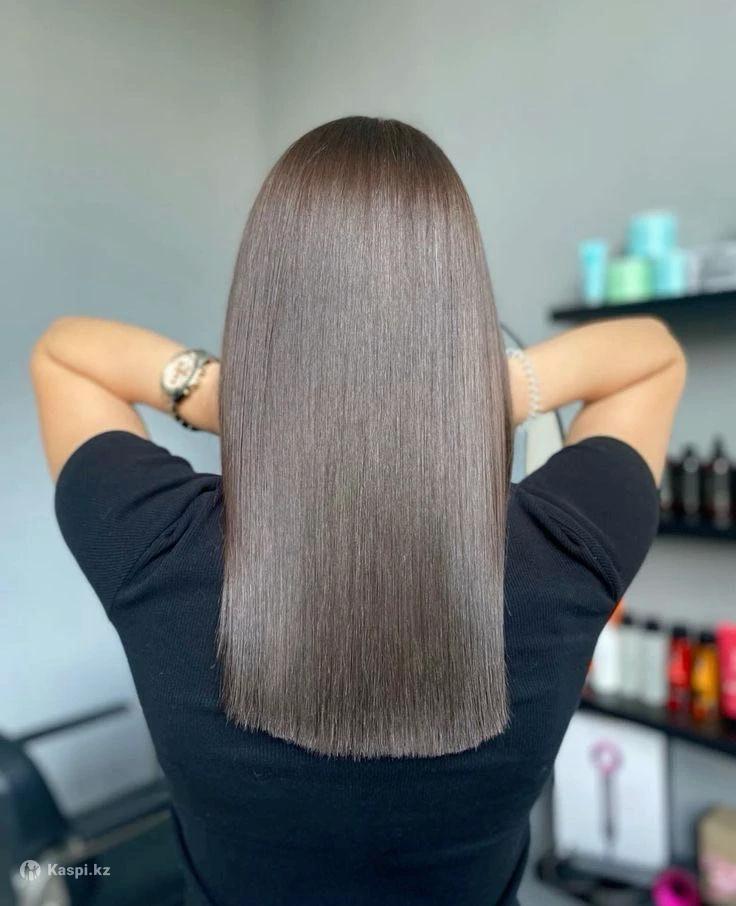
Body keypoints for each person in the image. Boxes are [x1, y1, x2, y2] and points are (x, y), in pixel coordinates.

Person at [30, 117, 685, 906]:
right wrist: (467, 397)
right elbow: (650, 355)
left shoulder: (157, 545)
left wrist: (241, 398)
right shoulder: (564, 552)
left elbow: (65, 353)